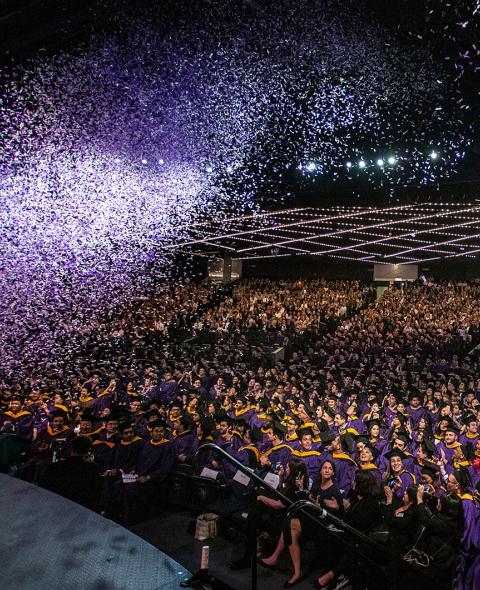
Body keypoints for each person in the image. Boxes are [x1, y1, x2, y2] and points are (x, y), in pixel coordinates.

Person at [316, 471, 380, 590]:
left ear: (362, 484)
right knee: (325, 534)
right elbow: (346, 516)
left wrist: (348, 508)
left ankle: (333, 574)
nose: (353, 482)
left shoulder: (372, 502)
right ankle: (335, 572)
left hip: (360, 535)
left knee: (346, 545)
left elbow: (362, 523)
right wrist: (338, 507)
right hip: (347, 528)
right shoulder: (353, 494)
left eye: (355, 481)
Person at [398, 489, 463, 590]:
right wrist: (429, 496)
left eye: (440, 502)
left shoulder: (445, 525)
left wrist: (419, 499)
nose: (438, 502)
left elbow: (425, 519)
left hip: (435, 565)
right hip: (438, 562)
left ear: (445, 507)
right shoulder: (453, 519)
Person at [39, 436, 101, 511]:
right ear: (89, 449)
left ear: (71, 448)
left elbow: (44, 486)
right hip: (81, 508)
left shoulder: (56, 466)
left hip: (55, 506)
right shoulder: (93, 468)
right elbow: (95, 492)